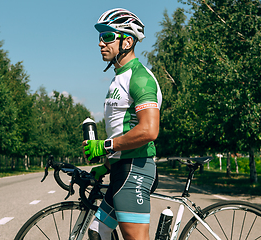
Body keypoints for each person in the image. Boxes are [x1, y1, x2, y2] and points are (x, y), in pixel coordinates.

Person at [82, 8, 162, 240]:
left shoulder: (140, 77)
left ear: (127, 41)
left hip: (135, 169)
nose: (101, 43)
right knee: (98, 231)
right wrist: (106, 164)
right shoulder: (119, 77)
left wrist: (105, 146)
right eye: (99, 37)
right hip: (121, 168)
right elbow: (122, 129)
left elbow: (149, 130)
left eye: (108, 37)